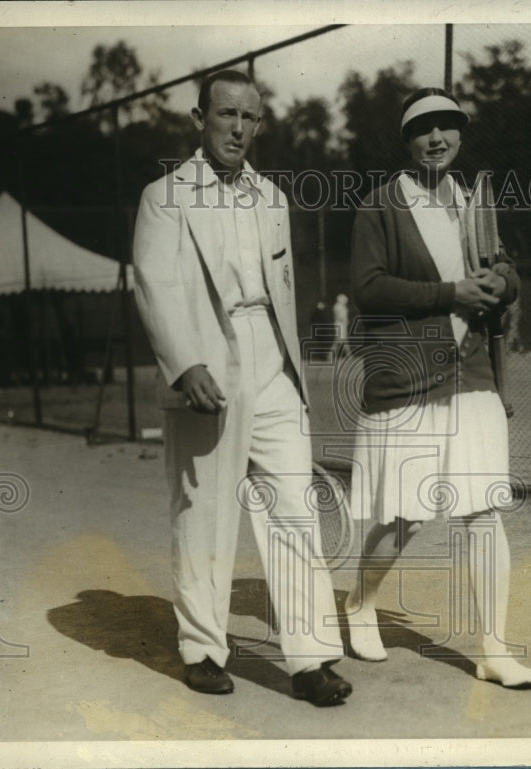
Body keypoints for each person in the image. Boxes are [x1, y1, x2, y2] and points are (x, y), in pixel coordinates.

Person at [132, 70, 351, 706]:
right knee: (205, 510)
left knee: (294, 508)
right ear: (198, 118)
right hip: (207, 364)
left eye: (248, 117)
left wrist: (288, 367)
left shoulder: (272, 197)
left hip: (274, 364)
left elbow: (279, 291)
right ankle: (202, 650)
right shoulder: (165, 196)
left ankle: (310, 661)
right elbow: (155, 286)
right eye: (224, 114)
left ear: (259, 124)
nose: (236, 127)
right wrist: (184, 362)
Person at [344, 87, 531, 689]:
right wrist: (450, 293)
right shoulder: (380, 206)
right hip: (406, 378)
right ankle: (359, 603)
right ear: (407, 141)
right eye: (423, 128)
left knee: (482, 513)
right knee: (406, 516)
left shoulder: (474, 201)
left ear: (460, 135)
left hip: (472, 372)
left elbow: (504, 264)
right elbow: (368, 288)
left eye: (448, 126)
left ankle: (494, 650)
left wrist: (500, 284)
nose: (437, 138)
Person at [332, 292, 350, 357]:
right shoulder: (338, 307)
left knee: (341, 340)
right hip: (340, 325)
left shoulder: (341, 307)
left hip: (342, 325)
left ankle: (348, 354)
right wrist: (346, 320)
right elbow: (341, 316)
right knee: (340, 340)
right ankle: (348, 354)